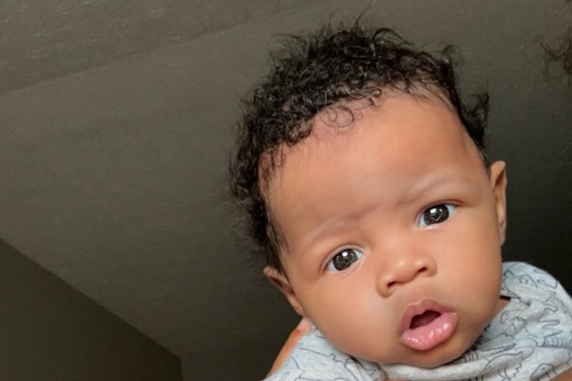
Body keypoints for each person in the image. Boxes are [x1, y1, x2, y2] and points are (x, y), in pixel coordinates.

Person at [229, 23, 572, 380]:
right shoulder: (323, 370)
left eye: (435, 214)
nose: (404, 267)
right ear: (293, 293)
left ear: (496, 203)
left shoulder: (533, 290)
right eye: (344, 258)